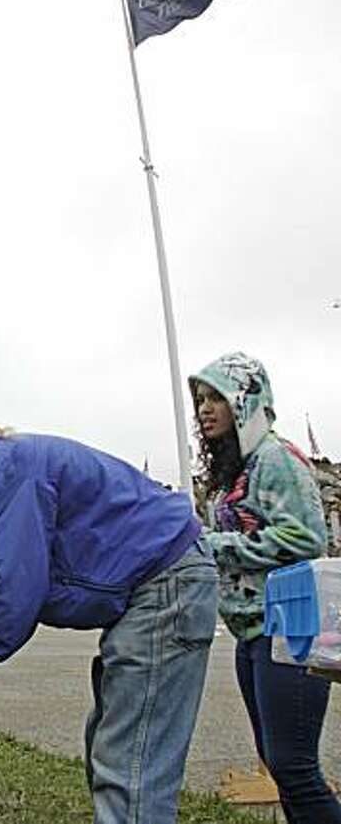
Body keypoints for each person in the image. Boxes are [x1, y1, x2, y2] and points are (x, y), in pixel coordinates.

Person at [0, 428, 218, 824]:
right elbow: (9, 594)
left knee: (130, 767)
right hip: (154, 584)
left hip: (164, 582)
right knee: (111, 750)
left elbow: (7, 606)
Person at [191, 352, 341, 823]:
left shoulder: (277, 459)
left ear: (247, 399)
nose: (204, 408)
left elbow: (306, 537)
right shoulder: (240, 467)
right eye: (199, 399)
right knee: (280, 766)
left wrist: (215, 545)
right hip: (254, 633)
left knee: (295, 768)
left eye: (216, 396)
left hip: (290, 630)